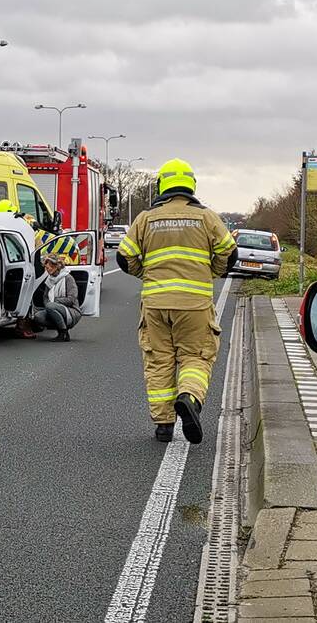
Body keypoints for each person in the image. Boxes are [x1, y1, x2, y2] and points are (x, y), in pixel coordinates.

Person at [117, 159, 237, 444]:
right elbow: (229, 253)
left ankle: (163, 426)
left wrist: (145, 274)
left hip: (156, 304)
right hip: (194, 304)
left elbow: (124, 257)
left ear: (162, 184)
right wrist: (213, 271)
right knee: (195, 358)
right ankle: (189, 397)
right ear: (191, 184)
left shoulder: (146, 217)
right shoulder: (206, 217)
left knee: (159, 362)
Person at [33, 253, 81, 342]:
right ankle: (61, 330)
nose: (47, 270)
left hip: (71, 310)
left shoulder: (68, 278)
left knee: (50, 306)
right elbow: (45, 297)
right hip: (54, 309)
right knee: (38, 317)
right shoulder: (49, 280)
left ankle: (63, 332)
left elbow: (72, 299)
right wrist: (49, 304)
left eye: (49, 267)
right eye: (46, 268)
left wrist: (55, 302)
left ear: (56, 266)